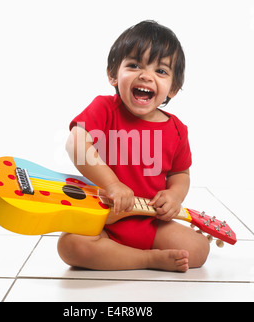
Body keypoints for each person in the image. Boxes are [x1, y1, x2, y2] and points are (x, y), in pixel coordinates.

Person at [58, 20, 210, 272]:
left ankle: (122, 256)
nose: (146, 75)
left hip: (148, 221)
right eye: (134, 65)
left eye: (161, 71)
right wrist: (112, 184)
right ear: (113, 74)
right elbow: (76, 144)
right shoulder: (104, 109)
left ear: (173, 88)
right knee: (70, 246)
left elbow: (180, 174)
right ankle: (147, 260)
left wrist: (174, 196)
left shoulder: (177, 130)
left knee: (198, 250)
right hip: (104, 218)